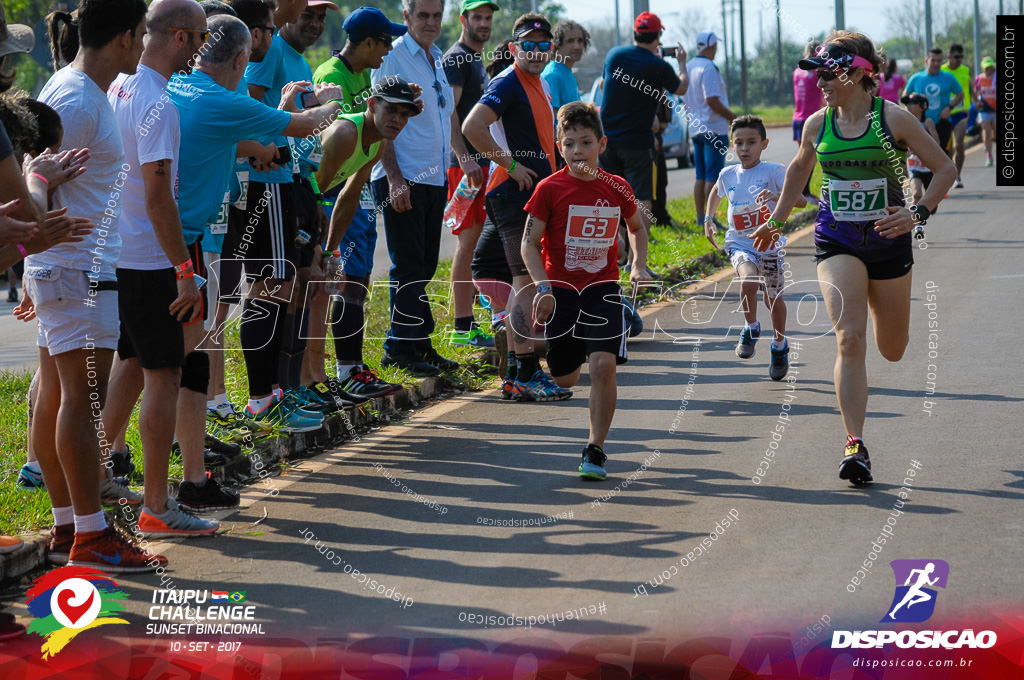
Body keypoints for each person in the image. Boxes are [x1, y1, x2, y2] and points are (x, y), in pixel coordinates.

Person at [752, 32, 955, 485]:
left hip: (888, 239)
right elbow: (799, 170)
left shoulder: (895, 120)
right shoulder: (816, 124)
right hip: (836, 238)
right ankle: (855, 445)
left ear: (860, 73)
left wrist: (917, 213)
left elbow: (945, 169)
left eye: (827, 73)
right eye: (816, 74)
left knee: (892, 348)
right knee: (850, 338)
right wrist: (777, 221)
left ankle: (884, 345)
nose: (818, 82)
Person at [26, 0, 167, 572]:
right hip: (80, 271)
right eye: (143, 34)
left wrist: (38, 264)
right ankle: (89, 533)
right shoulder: (78, 98)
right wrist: (40, 255)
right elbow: (30, 174)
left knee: (60, 400)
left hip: (72, 269)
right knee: (80, 405)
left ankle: (70, 529)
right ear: (128, 38)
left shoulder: (82, 90)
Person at [166, 14, 346, 436]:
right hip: (191, 236)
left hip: (170, 233)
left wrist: (281, 109)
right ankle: (211, 428)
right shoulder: (221, 100)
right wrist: (333, 102)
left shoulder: (178, 86)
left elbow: (264, 138)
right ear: (242, 58)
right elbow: (301, 128)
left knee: (151, 354)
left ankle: (149, 447)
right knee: (193, 345)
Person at [101, 0, 222, 536]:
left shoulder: (117, 86)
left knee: (131, 359)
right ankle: (156, 505)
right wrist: (182, 267)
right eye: (198, 39)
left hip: (120, 252)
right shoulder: (158, 102)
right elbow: (158, 195)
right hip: (150, 257)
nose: (200, 50)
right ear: (177, 36)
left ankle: (102, 467)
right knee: (165, 375)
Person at [521, 101, 650, 480]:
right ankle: (526, 346)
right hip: (560, 291)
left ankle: (595, 449)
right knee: (565, 378)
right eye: (570, 144)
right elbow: (529, 244)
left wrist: (638, 263)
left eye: (586, 142)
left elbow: (637, 227)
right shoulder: (549, 189)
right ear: (560, 147)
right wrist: (542, 286)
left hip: (603, 288)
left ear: (602, 144)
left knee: (603, 365)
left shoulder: (617, 187)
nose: (578, 151)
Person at [462, 13, 570, 402]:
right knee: (524, 280)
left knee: (489, 269)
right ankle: (526, 371)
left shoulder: (537, 83)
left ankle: (512, 371)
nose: (537, 51)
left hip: (525, 194)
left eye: (544, 45)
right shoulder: (507, 81)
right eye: (529, 44)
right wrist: (509, 164)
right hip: (512, 194)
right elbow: (472, 126)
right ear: (513, 48)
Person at [310, 5, 407, 399]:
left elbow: (354, 184)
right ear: (367, 41)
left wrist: (332, 246)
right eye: (385, 41)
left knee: (353, 277)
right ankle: (314, 378)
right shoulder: (331, 77)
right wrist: (319, 233)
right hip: (318, 191)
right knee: (323, 284)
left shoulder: (366, 78)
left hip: (346, 191)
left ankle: (348, 368)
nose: (388, 49)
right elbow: (317, 179)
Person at [370, 0, 462, 377]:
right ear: (406, 16)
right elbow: (379, 120)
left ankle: (420, 344)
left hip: (434, 177)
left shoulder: (436, 55)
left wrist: (463, 158)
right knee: (407, 265)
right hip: (403, 176)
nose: (430, 22)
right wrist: (394, 178)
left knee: (423, 264)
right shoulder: (393, 56)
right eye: (422, 15)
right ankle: (399, 348)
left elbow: (446, 113)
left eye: (436, 15)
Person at [704, 115, 803, 380]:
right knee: (747, 280)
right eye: (739, 143)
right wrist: (708, 219)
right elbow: (716, 192)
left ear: (764, 144)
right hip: (739, 243)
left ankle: (779, 346)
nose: (745, 148)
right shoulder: (728, 174)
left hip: (769, 245)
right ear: (732, 145)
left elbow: (802, 200)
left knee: (774, 299)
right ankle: (751, 327)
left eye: (751, 142)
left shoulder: (774, 171)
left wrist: (777, 196)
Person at [599, 11, 686, 238]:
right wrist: (682, 63)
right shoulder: (658, 65)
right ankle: (639, 258)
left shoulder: (614, 55)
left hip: (605, 142)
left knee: (611, 197)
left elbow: (602, 86)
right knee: (640, 198)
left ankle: (615, 252)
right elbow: (681, 88)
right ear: (658, 35)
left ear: (635, 33)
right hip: (637, 143)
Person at [442, 0, 498, 350]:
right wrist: (464, 159)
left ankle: (477, 315)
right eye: (476, 17)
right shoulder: (458, 58)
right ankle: (462, 326)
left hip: (481, 164)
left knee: (477, 243)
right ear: (463, 19)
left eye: (488, 18)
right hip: (466, 166)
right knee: (467, 244)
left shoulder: (474, 57)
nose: (483, 23)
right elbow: (449, 113)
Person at [684, 30, 735, 231]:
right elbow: (712, 100)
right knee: (712, 177)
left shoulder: (688, 66)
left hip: (695, 129)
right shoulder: (709, 68)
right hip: (713, 128)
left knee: (700, 176)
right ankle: (709, 220)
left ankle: (700, 217)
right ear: (711, 46)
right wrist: (733, 117)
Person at [903, 48, 961, 164]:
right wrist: (911, 113)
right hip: (921, 124)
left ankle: (949, 178)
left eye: (939, 61)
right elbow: (905, 96)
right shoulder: (916, 78)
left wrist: (949, 107)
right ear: (926, 61)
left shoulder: (949, 77)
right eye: (933, 60)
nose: (936, 64)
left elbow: (960, 95)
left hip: (942, 121)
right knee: (920, 155)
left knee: (943, 154)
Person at [792, 40, 823, 203]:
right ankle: (805, 192)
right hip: (812, 119)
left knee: (803, 157)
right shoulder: (819, 72)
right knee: (811, 159)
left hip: (797, 118)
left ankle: (802, 191)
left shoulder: (797, 72)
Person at [941, 44, 972, 188]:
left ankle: (957, 176)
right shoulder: (941, 71)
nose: (959, 60)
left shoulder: (965, 70)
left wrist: (975, 101)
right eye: (956, 57)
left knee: (959, 144)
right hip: (944, 114)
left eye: (961, 57)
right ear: (948, 56)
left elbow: (969, 87)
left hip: (961, 113)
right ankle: (950, 174)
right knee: (947, 148)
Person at [541, 19, 589, 114]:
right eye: (570, 41)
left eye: (580, 40)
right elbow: (552, 122)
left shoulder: (566, 71)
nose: (577, 46)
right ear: (557, 45)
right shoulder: (553, 75)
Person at [901, 93, 940, 204]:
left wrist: (922, 148)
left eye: (913, 103)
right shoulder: (904, 123)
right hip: (914, 165)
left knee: (931, 202)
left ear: (923, 107)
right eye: (907, 103)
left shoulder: (927, 122)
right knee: (916, 194)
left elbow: (936, 142)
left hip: (928, 166)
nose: (909, 105)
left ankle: (925, 210)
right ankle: (914, 219)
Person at [975, 57, 996, 167]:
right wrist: (977, 102)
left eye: (990, 67)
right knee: (987, 131)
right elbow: (976, 92)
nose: (988, 69)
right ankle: (989, 155)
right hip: (984, 108)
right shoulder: (979, 79)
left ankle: (987, 144)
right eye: (986, 67)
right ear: (983, 67)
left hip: (995, 108)